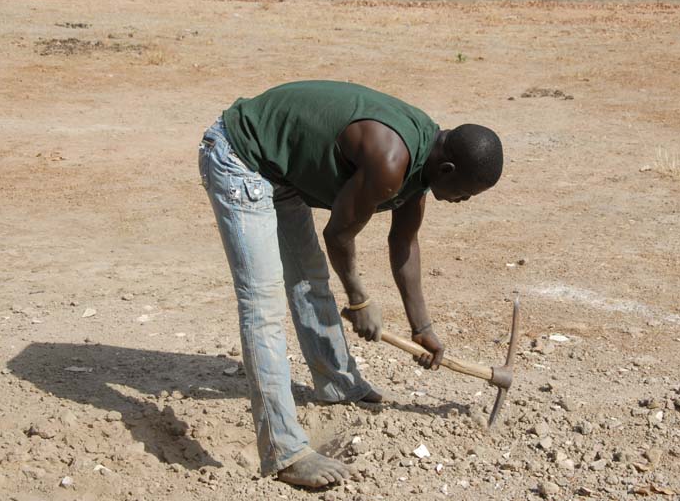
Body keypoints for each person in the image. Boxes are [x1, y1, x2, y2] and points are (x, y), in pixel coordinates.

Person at [197, 80, 503, 488]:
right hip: (240, 155)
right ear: (447, 169)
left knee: (309, 278)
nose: (462, 202)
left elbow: (404, 243)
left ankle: (338, 384)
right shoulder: (392, 159)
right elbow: (338, 235)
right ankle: (285, 452)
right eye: (464, 194)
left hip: (282, 167)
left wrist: (422, 327)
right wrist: (359, 298)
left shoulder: (427, 155)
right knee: (262, 304)